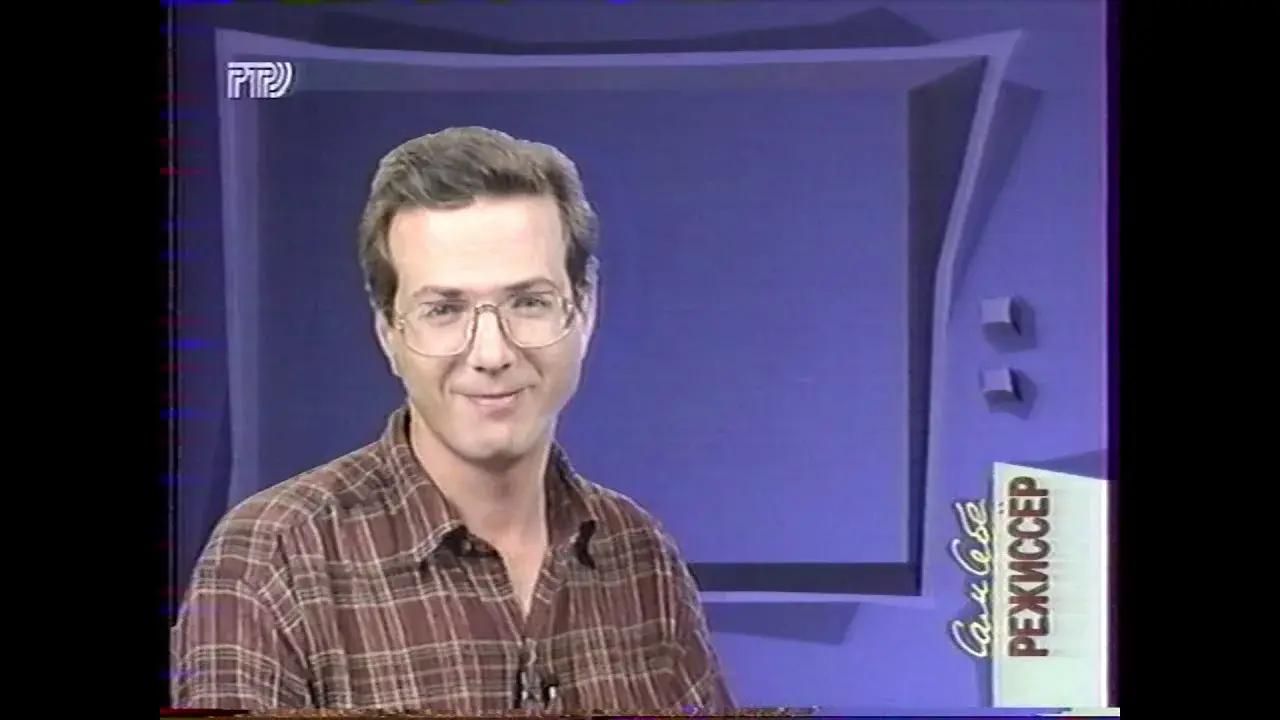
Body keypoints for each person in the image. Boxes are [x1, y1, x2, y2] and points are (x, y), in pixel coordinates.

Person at [170, 127, 734, 714]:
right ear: (389, 331)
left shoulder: (640, 554)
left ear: (584, 309)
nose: (491, 353)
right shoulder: (273, 560)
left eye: (529, 302)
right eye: (444, 310)